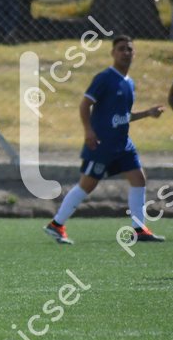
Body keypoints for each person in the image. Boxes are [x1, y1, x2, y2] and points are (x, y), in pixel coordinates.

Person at [44, 36, 166, 245]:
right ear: (113, 53)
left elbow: (123, 116)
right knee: (87, 185)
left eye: (129, 49)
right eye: (121, 49)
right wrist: (88, 131)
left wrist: (147, 113)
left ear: (134, 53)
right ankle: (56, 224)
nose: (126, 53)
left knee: (139, 179)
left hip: (123, 144)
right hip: (102, 144)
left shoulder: (129, 82)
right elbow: (84, 105)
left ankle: (139, 229)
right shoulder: (105, 78)